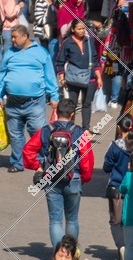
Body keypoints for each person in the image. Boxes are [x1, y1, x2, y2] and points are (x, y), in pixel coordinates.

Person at [23, 98, 94, 248]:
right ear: (73, 114)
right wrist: (85, 177)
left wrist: (39, 166)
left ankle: (58, 254)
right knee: (72, 218)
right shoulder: (79, 132)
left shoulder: (45, 130)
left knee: (55, 220)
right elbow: (87, 158)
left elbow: (28, 151)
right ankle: (70, 253)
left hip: (51, 177)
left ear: (56, 112)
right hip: (73, 178)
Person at [0, 23, 59, 173]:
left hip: (35, 102)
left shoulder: (41, 53)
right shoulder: (9, 53)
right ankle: (17, 163)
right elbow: (3, 75)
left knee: (38, 133)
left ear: (25, 36)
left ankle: (41, 161)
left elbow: (50, 76)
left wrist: (54, 95)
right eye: (11, 37)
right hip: (12, 102)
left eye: (15, 37)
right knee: (15, 135)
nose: (12, 40)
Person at [56, 18, 101, 130]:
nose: (82, 31)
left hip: (90, 79)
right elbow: (60, 62)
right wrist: (62, 79)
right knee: (72, 105)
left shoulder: (89, 41)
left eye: (83, 28)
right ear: (72, 29)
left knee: (87, 104)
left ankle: (86, 129)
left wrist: (99, 77)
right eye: (79, 28)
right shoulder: (67, 43)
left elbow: (95, 60)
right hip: (73, 79)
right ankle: (70, 128)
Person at [103, 113, 133, 258]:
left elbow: (106, 167)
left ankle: (122, 247)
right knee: (130, 222)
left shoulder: (114, 146)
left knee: (116, 222)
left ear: (118, 128)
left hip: (116, 188)